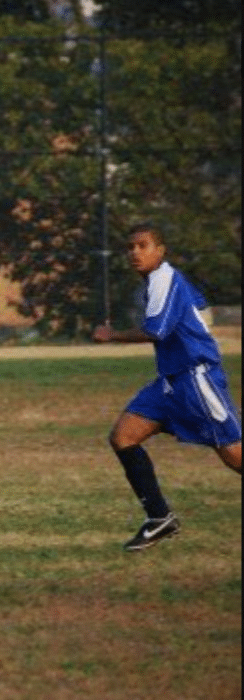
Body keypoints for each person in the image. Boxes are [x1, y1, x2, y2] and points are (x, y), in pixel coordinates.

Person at [92, 222, 241, 551]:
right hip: (171, 381)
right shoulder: (158, 282)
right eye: (130, 247)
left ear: (160, 251)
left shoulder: (164, 278)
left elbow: (156, 330)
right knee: (123, 437)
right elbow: (198, 304)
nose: (135, 252)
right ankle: (159, 518)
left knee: (234, 454)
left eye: (143, 246)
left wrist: (112, 335)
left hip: (196, 379)